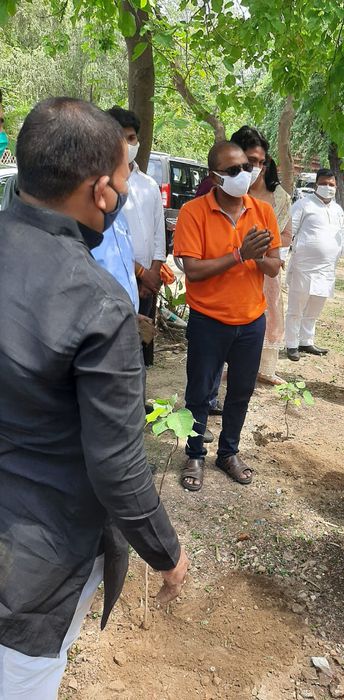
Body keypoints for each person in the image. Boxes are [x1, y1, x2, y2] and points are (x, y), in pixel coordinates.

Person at [0, 97, 188, 699]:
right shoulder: (100, 303)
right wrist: (166, 553)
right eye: (128, 176)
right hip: (34, 561)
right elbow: (116, 463)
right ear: (100, 190)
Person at [173, 141, 281, 492]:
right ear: (214, 176)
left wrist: (258, 257)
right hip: (209, 320)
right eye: (233, 170)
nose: (243, 175)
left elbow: (275, 267)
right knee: (200, 392)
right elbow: (193, 269)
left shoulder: (263, 211)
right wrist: (239, 254)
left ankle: (228, 452)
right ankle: (194, 454)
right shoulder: (194, 212)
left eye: (247, 168)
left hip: (251, 320)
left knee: (241, 392)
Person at [230, 125, 292, 384]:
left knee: (267, 314)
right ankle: (229, 365)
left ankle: (264, 369)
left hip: (266, 268)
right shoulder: (225, 193)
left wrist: (269, 254)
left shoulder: (278, 198)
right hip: (231, 270)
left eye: (260, 162)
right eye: (250, 161)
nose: (255, 168)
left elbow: (285, 234)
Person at [107, 106, 166, 365]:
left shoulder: (150, 185)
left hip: (147, 285)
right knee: (115, 352)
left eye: (132, 138)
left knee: (140, 352)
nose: (128, 144)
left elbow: (158, 236)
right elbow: (108, 243)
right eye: (121, 137)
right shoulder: (103, 186)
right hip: (117, 283)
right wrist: (139, 274)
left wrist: (152, 274)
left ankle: (139, 402)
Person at [285, 168, 344, 361]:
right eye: (324, 184)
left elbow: (342, 236)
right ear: (316, 184)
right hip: (303, 266)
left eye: (332, 184)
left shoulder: (337, 210)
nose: (328, 187)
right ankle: (291, 344)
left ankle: (306, 341)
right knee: (296, 308)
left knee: (315, 307)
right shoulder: (303, 205)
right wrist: (281, 257)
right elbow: (288, 233)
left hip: (326, 269)